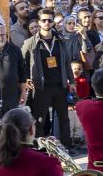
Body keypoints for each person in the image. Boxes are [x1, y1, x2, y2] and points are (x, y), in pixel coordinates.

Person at [22, 9, 72, 142]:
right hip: (41, 87)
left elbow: (67, 62)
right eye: (43, 20)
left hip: (59, 85)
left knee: (64, 118)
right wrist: (26, 78)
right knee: (39, 120)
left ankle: (66, 145)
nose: (47, 23)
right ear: (39, 22)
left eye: (50, 20)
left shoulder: (60, 39)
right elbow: (23, 62)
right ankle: (40, 148)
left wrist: (71, 81)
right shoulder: (30, 42)